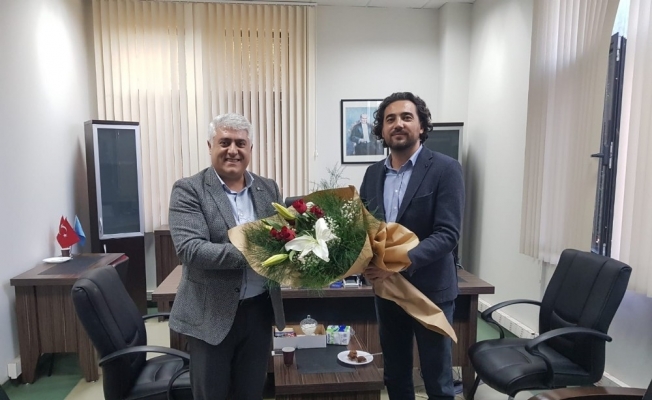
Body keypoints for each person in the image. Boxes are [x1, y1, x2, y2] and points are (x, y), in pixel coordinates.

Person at [168, 113, 286, 400]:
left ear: (250, 149)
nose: (233, 150)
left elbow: (283, 240)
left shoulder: (268, 188)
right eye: (225, 142)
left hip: (258, 312)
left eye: (240, 143)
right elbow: (192, 250)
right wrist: (258, 251)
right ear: (210, 146)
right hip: (211, 315)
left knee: (251, 393)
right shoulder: (189, 189)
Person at [360, 92, 464, 400]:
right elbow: (364, 229)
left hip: (430, 292)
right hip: (388, 292)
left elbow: (448, 234)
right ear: (381, 130)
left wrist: (396, 263)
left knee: (438, 379)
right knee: (395, 374)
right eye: (390, 119)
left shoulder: (445, 168)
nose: (398, 124)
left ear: (421, 127)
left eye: (407, 117)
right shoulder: (373, 174)